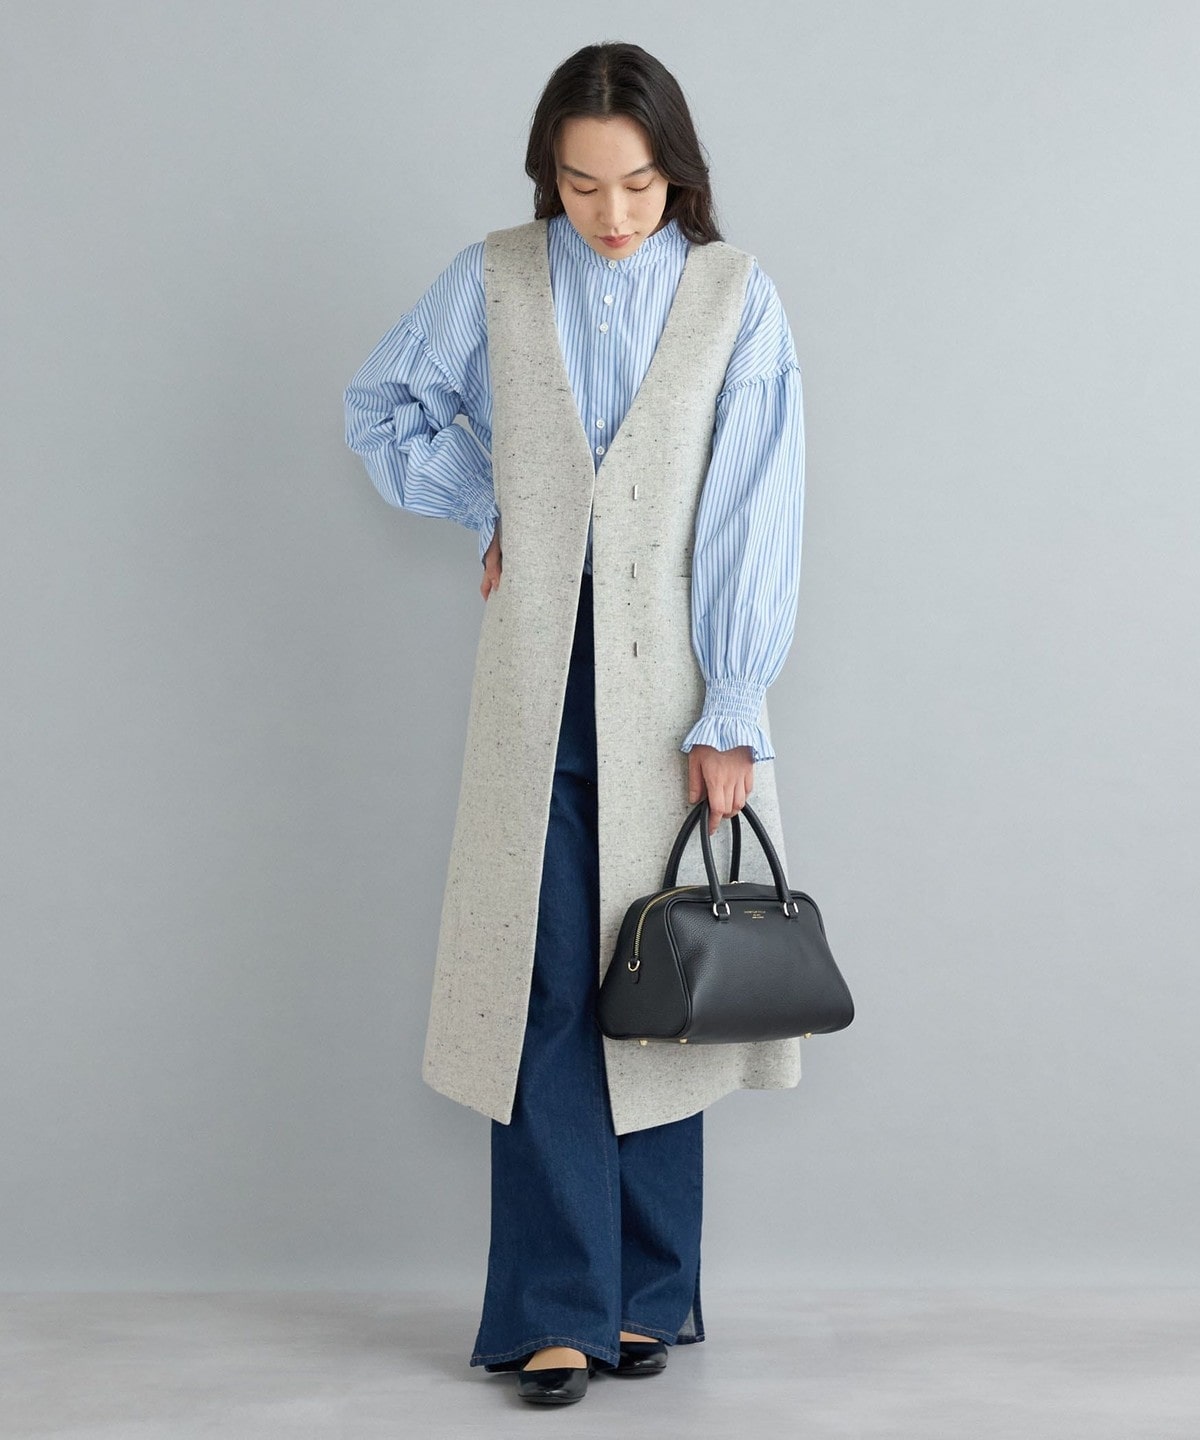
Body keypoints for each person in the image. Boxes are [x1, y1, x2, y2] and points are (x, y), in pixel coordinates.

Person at [343, 41, 805, 1407]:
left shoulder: (735, 296)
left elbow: (754, 508)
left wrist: (732, 707)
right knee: (542, 986)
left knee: (665, 987)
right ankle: (556, 1310)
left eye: (641, 185)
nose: (612, 213)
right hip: (537, 684)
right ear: (549, 172)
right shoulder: (496, 275)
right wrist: (491, 499)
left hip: (676, 698)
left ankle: (647, 1297)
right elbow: (383, 404)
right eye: (584, 183)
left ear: (679, 173)